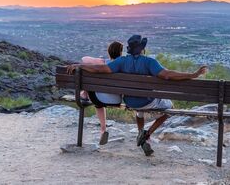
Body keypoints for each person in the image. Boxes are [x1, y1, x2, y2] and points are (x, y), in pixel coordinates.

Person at [67, 35, 207, 156]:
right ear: (142, 49)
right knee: (169, 108)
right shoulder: (150, 62)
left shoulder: (121, 61)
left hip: (130, 102)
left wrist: (80, 65)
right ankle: (146, 135)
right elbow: (168, 75)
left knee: (139, 110)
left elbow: (101, 68)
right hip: (148, 101)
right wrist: (193, 74)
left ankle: (141, 131)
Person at [80, 41, 123, 145]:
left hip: (99, 99)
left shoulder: (103, 63)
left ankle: (103, 129)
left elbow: (84, 59)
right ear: (121, 53)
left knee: (89, 81)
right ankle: (103, 130)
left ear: (109, 52)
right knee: (99, 96)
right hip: (117, 100)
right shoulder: (123, 64)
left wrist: (100, 60)